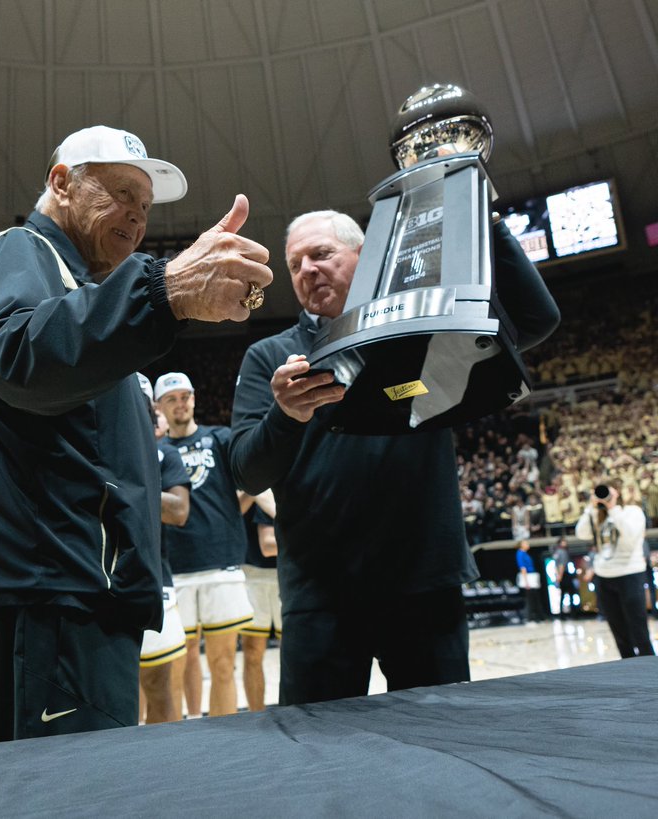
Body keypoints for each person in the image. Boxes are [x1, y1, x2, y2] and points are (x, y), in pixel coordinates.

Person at [0, 124, 274, 743]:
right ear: (61, 183)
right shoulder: (19, 250)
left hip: (83, 591)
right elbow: (17, 357)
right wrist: (163, 291)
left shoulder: (87, 292)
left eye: (145, 207)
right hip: (46, 591)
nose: (137, 217)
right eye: (121, 193)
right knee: (54, 796)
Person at [229, 209, 559, 705]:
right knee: (323, 756)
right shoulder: (270, 357)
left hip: (423, 579)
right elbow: (248, 471)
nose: (307, 271)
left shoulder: (420, 325)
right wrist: (285, 415)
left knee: (445, 744)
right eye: (295, 264)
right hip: (321, 592)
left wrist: (486, 222)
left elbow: (536, 320)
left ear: (364, 257)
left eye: (321, 254)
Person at [154, 372, 252, 718]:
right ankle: (190, 730)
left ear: (194, 399)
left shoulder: (220, 439)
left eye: (185, 396)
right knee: (180, 662)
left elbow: (252, 481)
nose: (181, 404)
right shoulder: (157, 452)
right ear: (159, 407)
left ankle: (224, 738)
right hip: (174, 566)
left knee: (224, 662)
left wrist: (228, 518)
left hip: (220, 561)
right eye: (172, 399)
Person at [136, 375, 190, 725]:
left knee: (161, 687)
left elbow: (178, 511)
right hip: (97, 582)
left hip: (154, 581)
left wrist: (123, 488)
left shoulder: (163, 453)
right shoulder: (90, 448)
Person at [576, 482, 654, 657]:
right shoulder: (597, 515)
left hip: (630, 574)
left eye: (608, 491)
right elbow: (581, 533)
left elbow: (629, 539)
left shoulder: (632, 512)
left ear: (617, 492)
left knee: (639, 630)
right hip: (604, 577)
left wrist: (613, 509)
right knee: (619, 633)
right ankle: (628, 672)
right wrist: (591, 507)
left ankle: (650, 673)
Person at [240, 494, 280, 712]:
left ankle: (295, 712)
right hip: (252, 571)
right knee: (253, 651)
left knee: (293, 650)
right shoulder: (247, 476)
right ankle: (256, 714)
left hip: (287, 570)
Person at [516, 540, 546, 623]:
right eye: (525, 543)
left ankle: (539, 616)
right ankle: (530, 617)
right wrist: (526, 582)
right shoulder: (520, 554)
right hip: (528, 578)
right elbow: (523, 568)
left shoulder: (525, 553)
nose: (528, 544)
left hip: (532, 576)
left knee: (535, 597)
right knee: (530, 598)